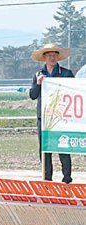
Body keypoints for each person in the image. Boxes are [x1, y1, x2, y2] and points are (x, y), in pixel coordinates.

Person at [29, 43, 74, 183]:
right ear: (44, 57)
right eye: (49, 55)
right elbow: (32, 95)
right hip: (44, 117)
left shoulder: (66, 74)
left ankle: (67, 178)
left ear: (58, 57)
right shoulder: (38, 75)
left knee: (63, 146)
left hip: (62, 117)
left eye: (54, 55)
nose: (52, 57)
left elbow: (73, 91)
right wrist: (38, 84)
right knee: (45, 149)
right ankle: (47, 179)